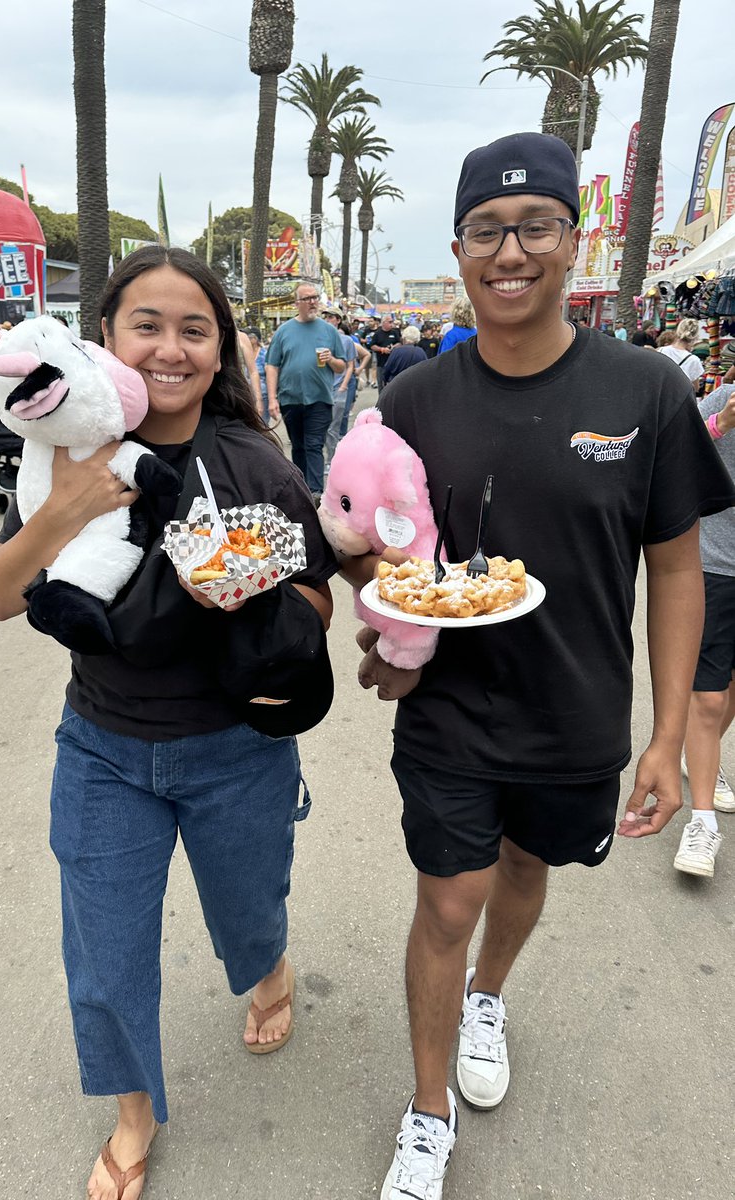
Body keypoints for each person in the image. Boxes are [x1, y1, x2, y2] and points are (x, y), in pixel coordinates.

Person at [335, 131, 735, 1200]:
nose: (509, 252)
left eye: (534, 227)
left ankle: (488, 999)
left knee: (525, 872)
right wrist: (390, 635)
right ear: (459, 250)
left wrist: (663, 737)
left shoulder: (647, 390)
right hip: (451, 715)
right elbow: (378, 549)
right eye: (485, 231)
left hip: (580, 717)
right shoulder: (415, 397)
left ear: (573, 240)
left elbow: (678, 570)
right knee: (447, 899)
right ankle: (428, 1112)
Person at [0, 245, 337, 1200]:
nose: (169, 351)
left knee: (248, 908)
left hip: (236, 750)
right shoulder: (61, 451)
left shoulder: (254, 459)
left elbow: (317, 594)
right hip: (99, 746)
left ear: (222, 351)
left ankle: (266, 970)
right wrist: (64, 514)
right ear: (105, 337)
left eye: (195, 330)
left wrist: (262, 611)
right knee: (103, 952)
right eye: (147, 326)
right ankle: (134, 1108)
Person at [675, 377, 735, 877]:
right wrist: (723, 422)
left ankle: (704, 762)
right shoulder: (722, 398)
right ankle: (702, 823)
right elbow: (673, 451)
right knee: (709, 697)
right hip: (717, 566)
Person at [265, 283, 345, 501]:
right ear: (296, 303)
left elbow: (342, 366)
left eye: (315, 297)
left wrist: (331, 360)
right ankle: (301, 489)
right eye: (307, 298)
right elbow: (272, 365)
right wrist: (272, 398)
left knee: (313, 445)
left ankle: (317, 494)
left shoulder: (329, 331)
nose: (312, 302)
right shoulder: (284, 331)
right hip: (290, 399)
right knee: (298, 446)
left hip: (320, 399)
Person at [321, 307, 357, 464]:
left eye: (331, 317)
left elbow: (350, 365)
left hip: (338, 389)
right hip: (321, 389)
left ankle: (332, 461)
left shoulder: (347, 341)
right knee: (320, 427)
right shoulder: (319, 338)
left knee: (333, 428)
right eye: (326, 317)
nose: (328, 320)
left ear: (338, 320)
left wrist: (343, 385)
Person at [658, 318, 705, 395]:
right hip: (679, 399)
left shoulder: (661, 351)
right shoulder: (694, 360)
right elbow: (695, 388)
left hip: (660, 396)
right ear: (695, 337)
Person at [369, 313, 402, 391]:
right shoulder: (377, 334)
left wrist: (394, 347)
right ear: (384, 323)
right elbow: (372, 346)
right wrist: (382, 349)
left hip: (393, 363)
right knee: (381, 385)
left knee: (393, 384)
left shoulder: (394, 332)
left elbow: (400, 343)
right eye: (390, 322)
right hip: (381, 363)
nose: (392, 324)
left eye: (392, 322)